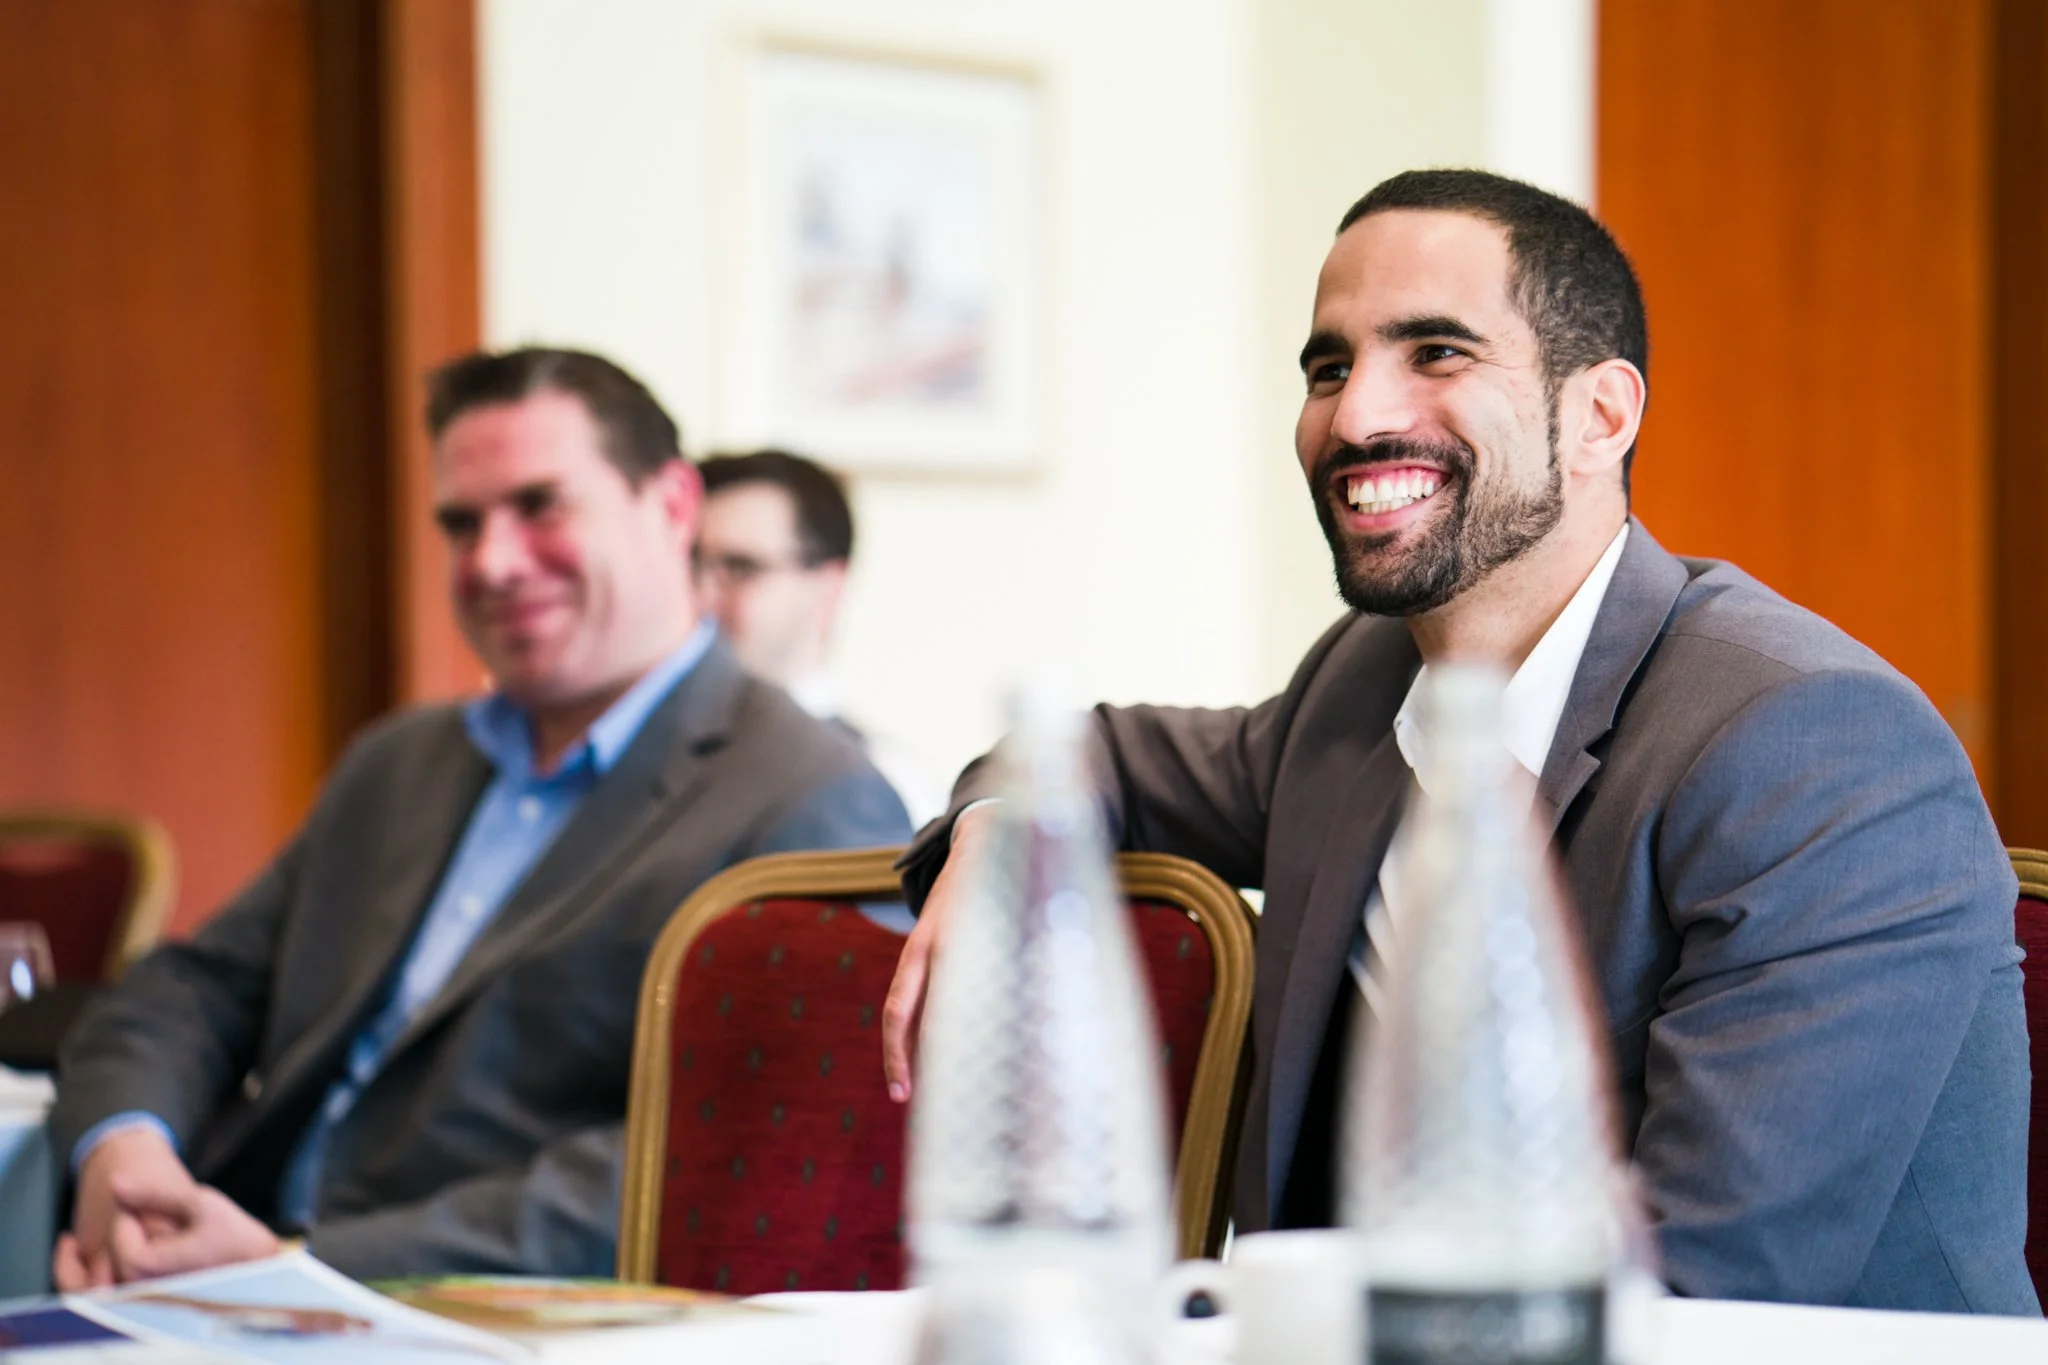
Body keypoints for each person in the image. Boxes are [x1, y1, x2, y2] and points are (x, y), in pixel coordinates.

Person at [882, 171, 2039, 1314]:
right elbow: (1098, 752)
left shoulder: (1813, 749)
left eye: (1433, 353)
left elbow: (1710, 1285)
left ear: (1600, 416)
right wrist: (999, 824)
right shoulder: (1359, 684)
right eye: (1327, 367)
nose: (1355, 415)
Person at [50, 347, 912, 1286]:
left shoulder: (808, 795)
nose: (493, 561)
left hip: (461, 1317)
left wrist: (301, 1267)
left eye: (541, 506)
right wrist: (123, 1147)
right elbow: (194, 985)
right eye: (462, 523)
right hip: (210, 1275)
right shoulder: (400, 760)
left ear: (671, 507)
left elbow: (707, 1162)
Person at [695, 448, 945, 826]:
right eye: (691, 563)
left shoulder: (888, 784)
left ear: (828, 587)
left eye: (740, 567)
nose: (702, 594)